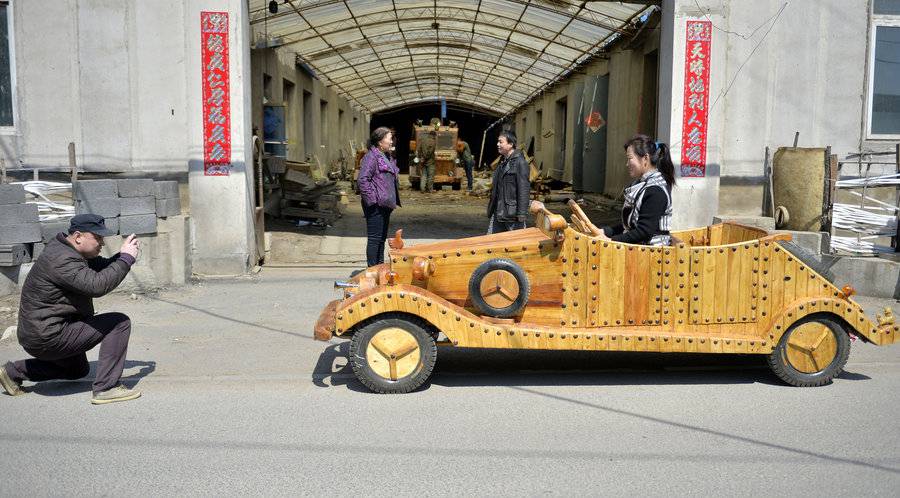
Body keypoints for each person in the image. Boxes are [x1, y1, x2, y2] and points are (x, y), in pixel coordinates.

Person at [0, 214, 142, 404]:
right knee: (119, 322)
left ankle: (13, 372)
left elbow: (100, 266)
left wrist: (124, 256)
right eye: (97, 238)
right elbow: (97, 286)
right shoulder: (62, 259)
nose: (102, 243)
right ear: (78, 237)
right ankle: (106, 388)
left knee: (77, 370)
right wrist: (125, 259)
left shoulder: (66, 250)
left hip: (41, 333)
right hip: (48, 335)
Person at [598, 134, 675, 246]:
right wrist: (605, 231)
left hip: (652, 254)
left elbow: (644, 232)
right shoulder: (642, 184)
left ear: (645, 158)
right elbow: (631, 226)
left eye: (630, 159)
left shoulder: (655, 190)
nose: (627, 164)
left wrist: (611, 241)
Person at [358, 126, 401, 267]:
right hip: (376, 205)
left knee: (381, 238)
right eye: (389, 139)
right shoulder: (371, 157)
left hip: (386, 204)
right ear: (380, 141)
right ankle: (372, 269)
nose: (391, 142)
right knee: (375, 239)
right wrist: (372, 201)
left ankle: (380, 267)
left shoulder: (387, 156)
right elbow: (363, 180)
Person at [486, 130, 530, 234]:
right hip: (498, 213)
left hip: (512, 216)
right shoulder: (503, 162)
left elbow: (524, 190)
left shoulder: (520, 163)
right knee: (492, 244)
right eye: (498, 142)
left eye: (501, 142)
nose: (497, 144)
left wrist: (521, 214)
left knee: (516, 246)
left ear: (510, 144)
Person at [419, 128, 436, 193]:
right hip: (430, 161)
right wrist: (425, 158)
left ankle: (422, 189)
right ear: (434, 135)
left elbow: (419, 149)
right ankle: (430, 189)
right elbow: (430, 152)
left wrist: (421, 158)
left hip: (423, 160)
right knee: (430, 176)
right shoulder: (433, 141)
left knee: (424, 175)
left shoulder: (423, 140)